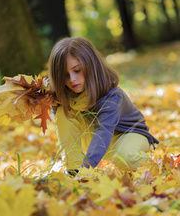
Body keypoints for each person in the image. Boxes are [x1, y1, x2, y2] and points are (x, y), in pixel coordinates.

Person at [45, 36, 159, 175]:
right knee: (64, 112)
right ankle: (73, 170)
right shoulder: (70, 92)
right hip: (97, 142)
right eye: (65, 75)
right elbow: (66, 128)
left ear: (91, 66)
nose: (72, 79)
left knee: (125, 157)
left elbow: (103, 131)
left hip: (128, 135)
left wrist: (86, 168)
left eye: (77, 70)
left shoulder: (111, 96)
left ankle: (153, 163)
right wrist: (55, 106)